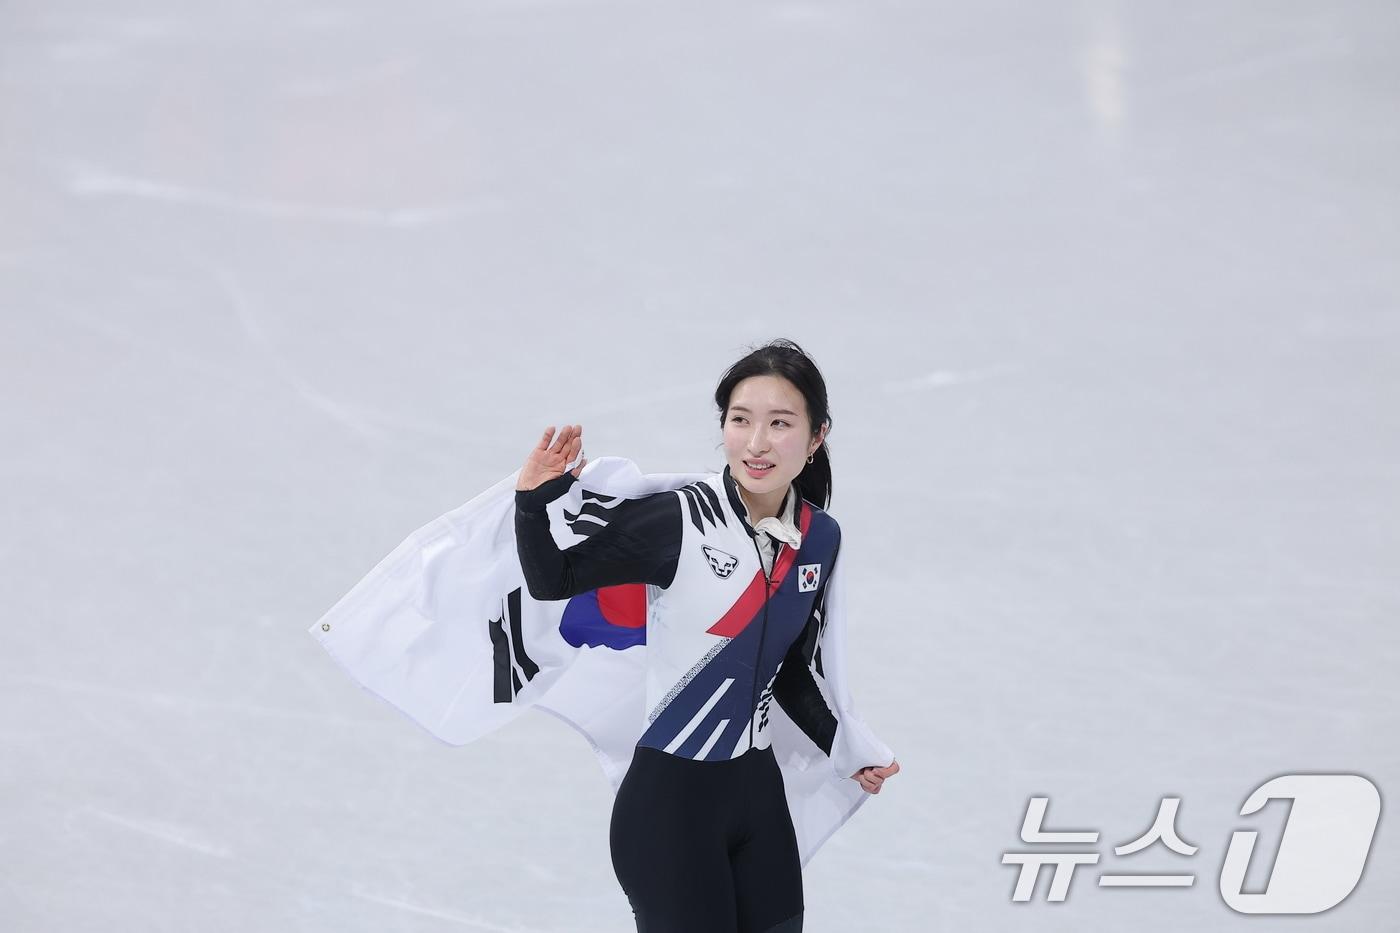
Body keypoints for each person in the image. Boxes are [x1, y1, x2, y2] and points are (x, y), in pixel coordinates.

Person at [512, 339, 900, 933]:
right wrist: (532, 502)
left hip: (757, 799)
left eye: (780, 423)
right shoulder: (680, 520)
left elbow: (786, 663)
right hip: (669, 809)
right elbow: (554, 578)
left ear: (816, 437)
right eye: (740, 421)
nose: (757, 442)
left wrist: (841, 745)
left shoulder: (818, 538)